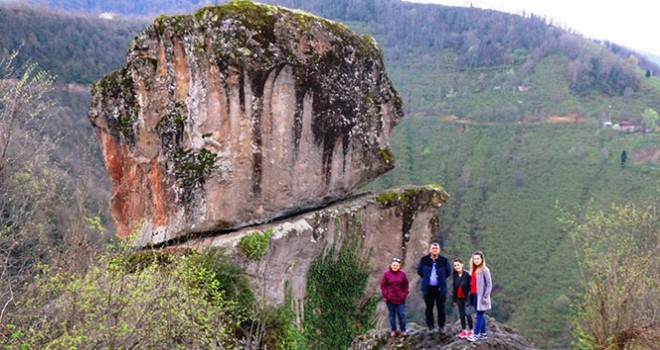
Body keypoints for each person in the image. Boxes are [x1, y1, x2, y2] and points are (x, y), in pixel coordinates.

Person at [417, 242, 451, 332]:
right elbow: (419, 271)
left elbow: (448, 272)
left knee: (441, 308)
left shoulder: (444, 261)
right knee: (429, 308)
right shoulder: (424, 260)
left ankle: (441, 326)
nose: (434, 250)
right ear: (430, 250)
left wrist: (441, 279)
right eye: (433, 248)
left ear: (439, 250)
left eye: (436, 248)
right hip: (428, 288)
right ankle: (430, 326)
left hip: (440, 288)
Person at [467, 251, 492, 342]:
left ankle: (476, 334)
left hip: (481, 296)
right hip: (474, 295)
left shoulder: (485, 269)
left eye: (478, 258)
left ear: (482, 259)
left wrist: (485, 296)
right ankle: (483, 334)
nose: (476, 260)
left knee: (479, 315)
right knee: (481, 315)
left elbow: (489, 284)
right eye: (475, 259)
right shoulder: (473, 269)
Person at [381, 257, 409, 337]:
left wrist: (404, 294)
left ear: (399, 266)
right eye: (393, 265)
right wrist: (386, 295)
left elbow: (406, 285)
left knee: (401, 314)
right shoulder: (386, 274)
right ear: (391, 265)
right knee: (392, 315)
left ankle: (403, 330)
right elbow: (383, 285)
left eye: (396, 265)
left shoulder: (403, 274)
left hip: (400, 299)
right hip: (390, 299)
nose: (395, 267)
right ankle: (393, 330)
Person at [452, 258, 473, 339]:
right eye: (455, 266)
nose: (457, 267)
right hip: (459, 298)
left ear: (462, 265)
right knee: (461, 314)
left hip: (467, 298)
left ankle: (471, 331)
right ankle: (464, 330)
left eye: (458, 265)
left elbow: (471, 287)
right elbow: (454, 287)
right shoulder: (455, 275)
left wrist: (470, 296)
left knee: (468, 313)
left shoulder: (467, 274)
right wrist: (454, 299)